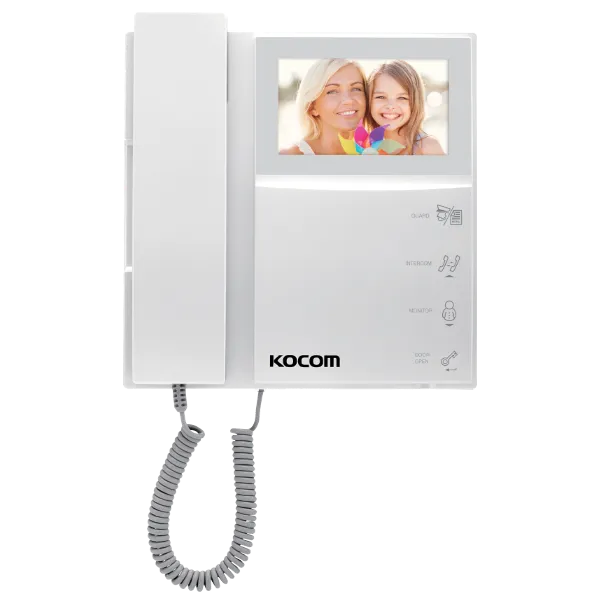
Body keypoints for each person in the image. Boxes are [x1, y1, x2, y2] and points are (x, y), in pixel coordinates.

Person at [280, 59, 368, 155]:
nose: (348, 100)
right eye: (332, 91)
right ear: (312, 107)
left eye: (356, 89)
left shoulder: (373, 151)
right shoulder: (290, 155)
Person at [364, 60, 445, 155]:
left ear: (415, 102)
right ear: (368, 99)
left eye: (402, 98)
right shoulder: (364, 147)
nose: (390, 106)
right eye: (381, 97)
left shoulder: (428, 147)